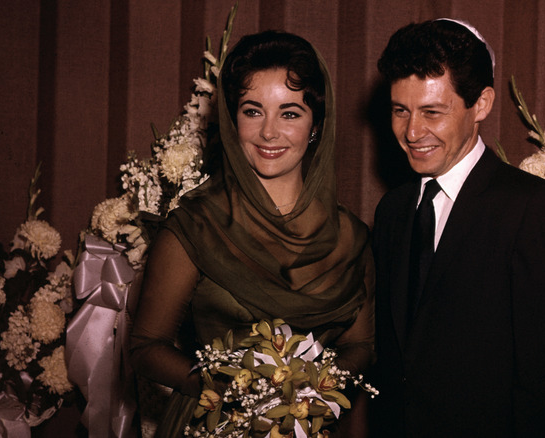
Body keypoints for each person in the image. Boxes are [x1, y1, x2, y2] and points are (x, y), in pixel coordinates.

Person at [129, 30, 374, 438]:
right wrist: (231, 389)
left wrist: (308, 389)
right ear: (230, 119)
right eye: (253, 111)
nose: (269, 133)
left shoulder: (353, 237)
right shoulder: (194, 225)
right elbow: (146, 347)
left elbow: (362, 346)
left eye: (290, 113)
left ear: (315, 125)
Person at [370, 19, 545, 436]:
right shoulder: (392, 212)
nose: (412, 132)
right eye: (401, 110)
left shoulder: (534, 211)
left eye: (432, 112)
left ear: (482, 105)